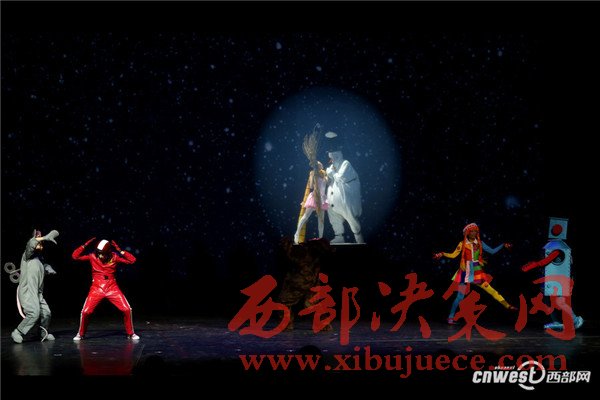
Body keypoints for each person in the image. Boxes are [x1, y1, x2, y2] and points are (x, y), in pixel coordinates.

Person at [434, 222, 516, 324]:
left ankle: (507, 305)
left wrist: (503, 245)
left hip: (477, 272)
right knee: (460, 297)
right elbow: (453, 255)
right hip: (465, 273)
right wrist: (442, 254)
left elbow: (492, 251)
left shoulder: (480, 243)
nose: (473, 233)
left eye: (475, 231)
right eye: (471, 231)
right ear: (467, 233)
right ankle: (450, 317)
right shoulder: (462, 244)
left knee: (491, 290)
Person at [521, 217, 583, 331]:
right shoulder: (555, 245)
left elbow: (545, 261)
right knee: (547, 300)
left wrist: (532, 265)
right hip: (552, 279)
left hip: (559, 280)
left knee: (560, 302)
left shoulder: (558, 248)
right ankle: (556, 321)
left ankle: (576, 320)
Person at [72, 237, 139, 340]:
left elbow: (132, 260)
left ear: (108, 252)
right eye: (99, 253)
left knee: (127, 309)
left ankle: (131, 333)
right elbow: (75, 256)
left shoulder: (114, 257)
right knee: (85, 312)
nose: (100, 256)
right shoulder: (92, 256)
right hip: (97, 288)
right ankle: (81, 334)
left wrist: (120, 251)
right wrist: (85, 245)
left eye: (102, 253)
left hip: (112, 287)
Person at [11, 229, 59, 343]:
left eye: (40, 240)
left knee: (46, 313)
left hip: (38, 293)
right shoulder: (27, 256)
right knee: (34, 313)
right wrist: (44, 237)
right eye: (37, 238)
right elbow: (31, 244)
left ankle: (42, 333)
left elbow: (41, 266)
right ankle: (18, 332)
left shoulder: (39, 259)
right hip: (27, 291)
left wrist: (47, 268)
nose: (39, 241)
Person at [324, 131, 364, 244]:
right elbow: (329, 181)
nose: (331, 160)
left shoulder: (345, 164)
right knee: (333, 217)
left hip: (345, 203)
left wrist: (332, 173)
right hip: (333, 204)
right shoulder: (331, 167)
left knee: (351, 220)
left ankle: (359, 238)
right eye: (330, 157)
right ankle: (339, 236)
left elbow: (341, 178)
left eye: (333, 157)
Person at [294, 161, 329, 244]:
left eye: (320, 163)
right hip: (314, 197)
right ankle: (297, 233)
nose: (321, 164)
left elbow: (328, 183)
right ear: (316, 166)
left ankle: (320, 238)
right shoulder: (313, 173)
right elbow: (311, 186)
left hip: (322, 198)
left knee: (321, 220)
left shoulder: (324, 174)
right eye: (319, 164)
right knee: (305, 217)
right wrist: (313, 176)